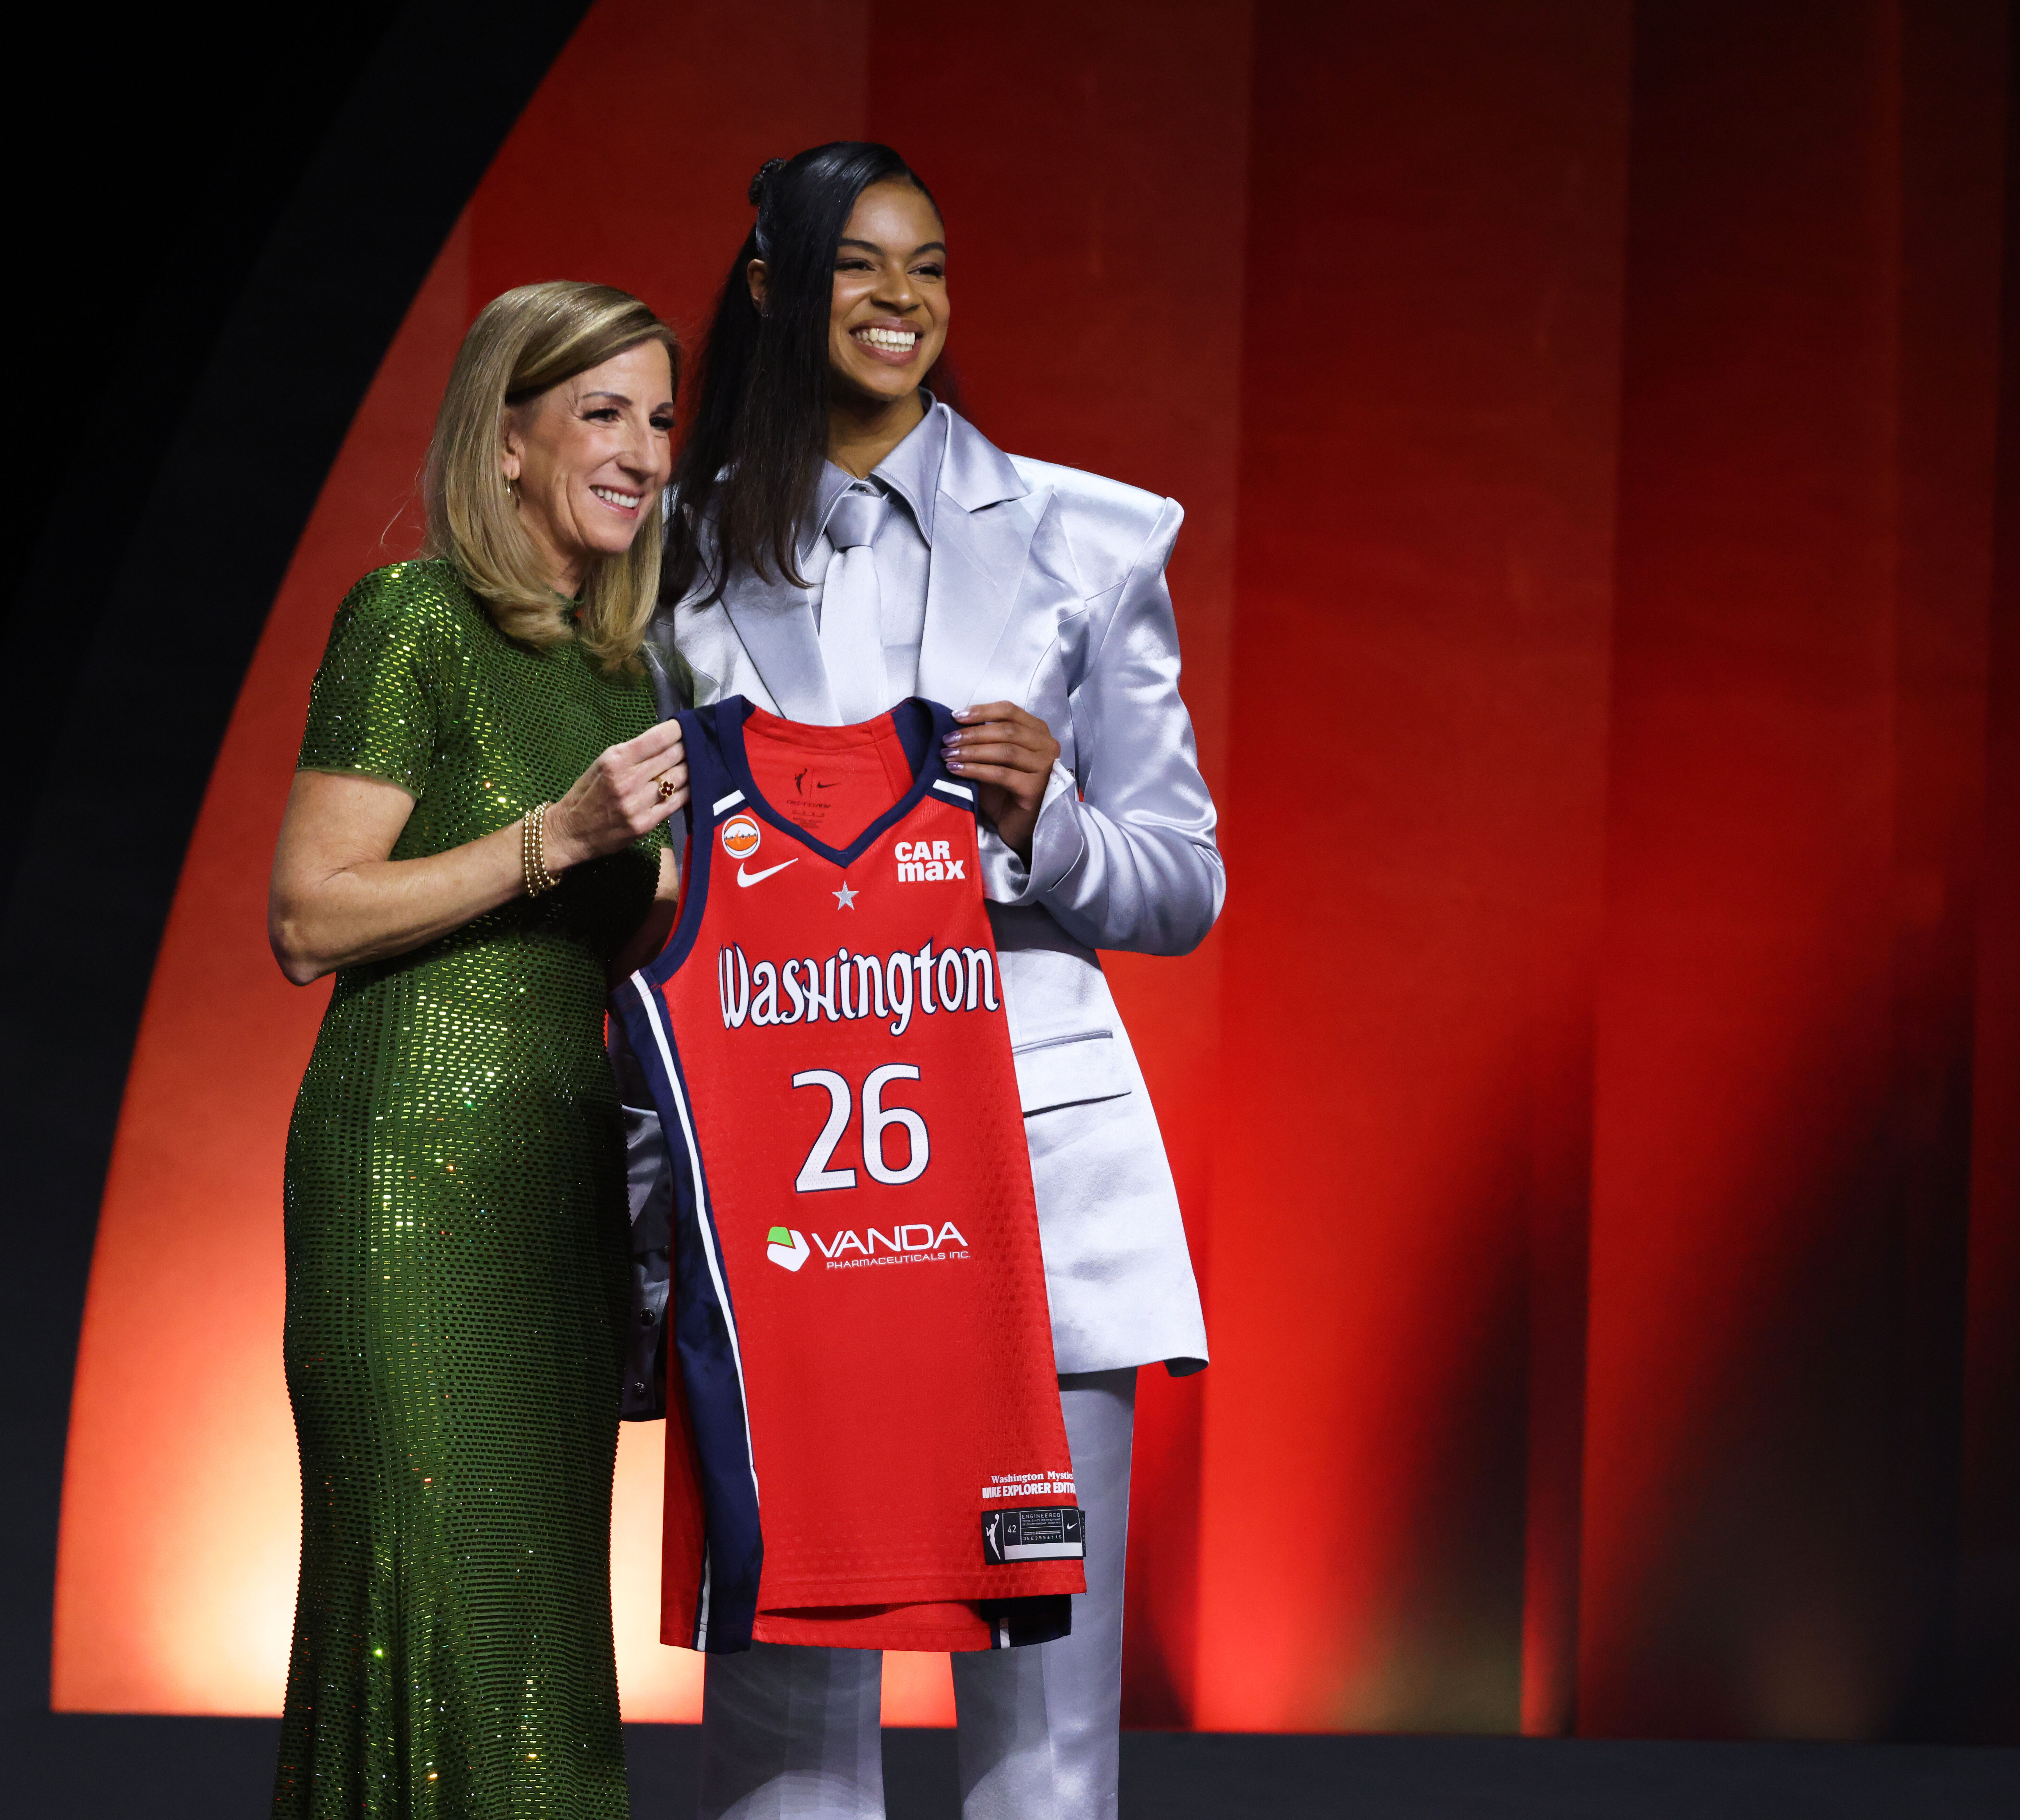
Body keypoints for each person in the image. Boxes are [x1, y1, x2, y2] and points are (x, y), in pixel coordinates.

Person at [652, 143, 1225, 1820]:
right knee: (782, 1717)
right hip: (791, 1174)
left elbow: (1180, 884)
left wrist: (1047, 823)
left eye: (929, 265)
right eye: (857, 264)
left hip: (1030, 1166)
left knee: (1042, 1737)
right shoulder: (672, 560)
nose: (901, 299)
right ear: (773, 289)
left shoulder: (1089, 540)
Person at [267, 280, 692, 1820]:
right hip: (408, 1182)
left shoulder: (627, 673)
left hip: (557, 1194)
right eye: (601, 412)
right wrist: (557, 836)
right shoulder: (411, 620)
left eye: (659, 417)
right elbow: (309, 915)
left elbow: (633, 939)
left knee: (535, 1651)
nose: (642, 449)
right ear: (504, 440)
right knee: (429, 1618)